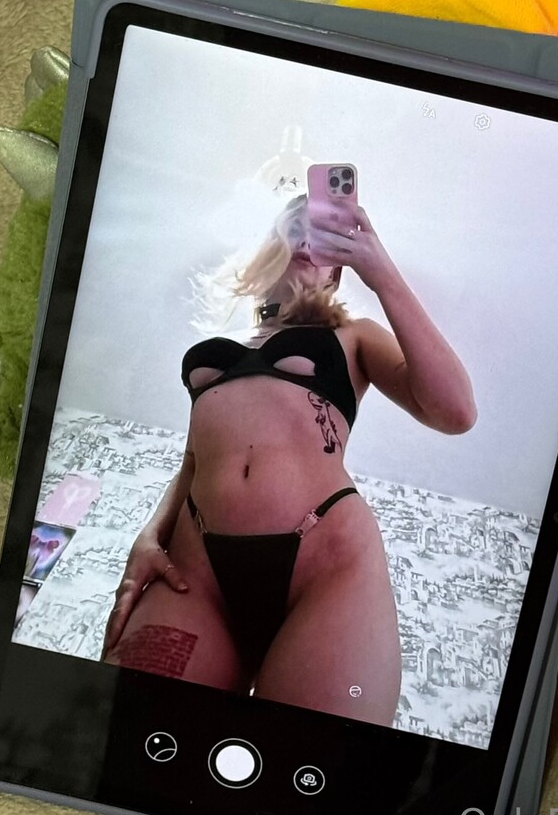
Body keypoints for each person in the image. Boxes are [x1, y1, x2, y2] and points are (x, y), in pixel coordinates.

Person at [102, 191, 476, 727]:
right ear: (269, 242)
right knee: (128, 734)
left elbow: (455, 412)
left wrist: (381, 272)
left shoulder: (352, 336)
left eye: (323, 231)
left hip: (327, 566)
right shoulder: (223, 342)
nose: (305, 240)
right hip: (195, 572)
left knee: (304, 764)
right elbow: (194, 461)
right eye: (294, 226)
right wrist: (149, 534)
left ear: (337, 269)